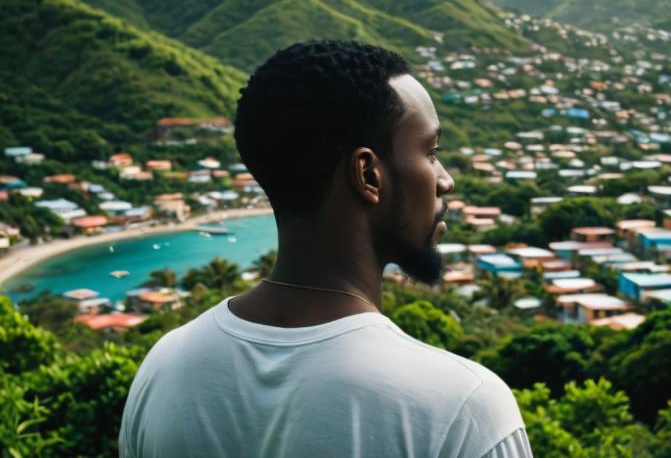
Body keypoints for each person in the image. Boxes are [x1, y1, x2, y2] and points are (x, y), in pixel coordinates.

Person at [119, 40, 532, 457]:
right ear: (368, 174)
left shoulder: (165, 369)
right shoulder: (462, 409)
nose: (445, 180)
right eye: (431, 152)